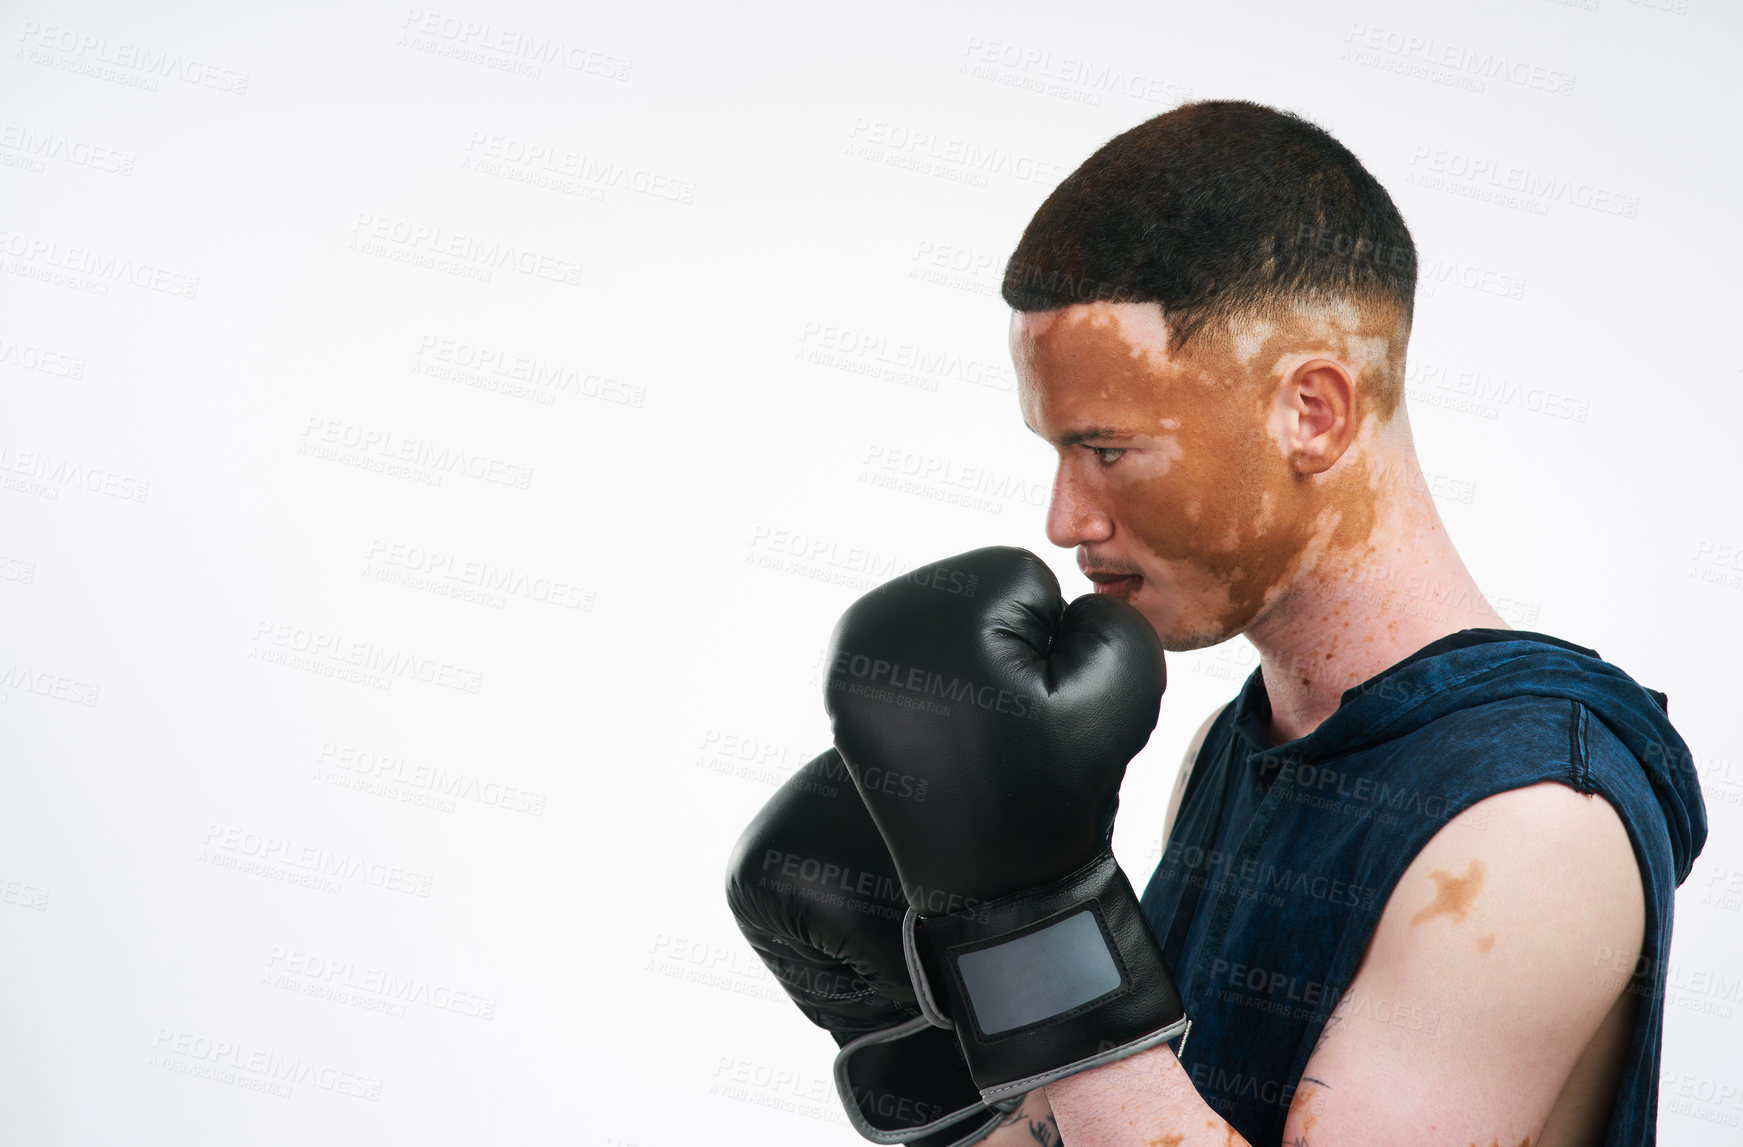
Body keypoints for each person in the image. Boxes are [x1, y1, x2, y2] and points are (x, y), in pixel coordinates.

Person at [728, 99, 1705, 1147]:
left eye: (1108, 450)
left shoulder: (1531, 818)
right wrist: (931, 1043)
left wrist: (1036, 924)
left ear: (1312, 412)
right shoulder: (1231, 748)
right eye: (1055, 452)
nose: (1066, 519)